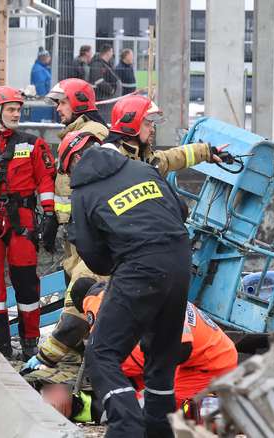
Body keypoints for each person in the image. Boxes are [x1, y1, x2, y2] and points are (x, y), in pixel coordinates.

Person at [58, 130, 192, 437]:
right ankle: (161, 430)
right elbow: (180, 211)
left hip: (139, 268)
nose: (69, 177)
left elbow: (91, 254)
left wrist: (119, 259)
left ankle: (127, 428)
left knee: (102, 354)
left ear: (75, 161)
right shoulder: (142, 169)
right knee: (160, 357)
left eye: (67, 171)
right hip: (180, 261)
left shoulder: (84, 193)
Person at [40, 279, 238, 424]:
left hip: (204, 365)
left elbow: (105, 354)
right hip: (206, 355)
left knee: (151, 413)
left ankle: (218, 411)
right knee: (131, 399)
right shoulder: (132, 292)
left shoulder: (99, 307)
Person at [22, 79, 109, 379]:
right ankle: (71, 362)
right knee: (79, 293)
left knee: (79, 296)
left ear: (79, 102)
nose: (58, 109)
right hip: (75, 235)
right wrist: (52, 221)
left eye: (62, 103)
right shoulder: (77, 135)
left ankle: (67, 364)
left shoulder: (90, 137)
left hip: (89, 236)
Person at [0, 85, 57, 359]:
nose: (17, 114)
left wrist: (49, 214)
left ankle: (30, 341)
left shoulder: (32, 144)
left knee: (27, 282)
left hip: (23, 221)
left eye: (18, 109)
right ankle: (0, 341)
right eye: (12, 109)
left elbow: (45, 180)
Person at [105, 95, 229, 176]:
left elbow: (170, 158)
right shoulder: (109, 160)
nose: (152, 130)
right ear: (130, 125)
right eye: (147, 124)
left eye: (153, 124)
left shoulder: (143, 157)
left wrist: (206, 151)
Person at [87, 44, 118, 119]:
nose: (112, 54)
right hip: (100, 97)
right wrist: (111, 90)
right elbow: (98, 81)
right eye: (111, 52)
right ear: (108, 52)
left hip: (105, 97)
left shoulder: (105, 64)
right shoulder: (97, 64)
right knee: (102, 118)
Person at [30, 47, 53, 122]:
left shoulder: (43, 68)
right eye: (48, 57)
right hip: (42, 100)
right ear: (44, 58)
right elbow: (40, 86)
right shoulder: (39, 69)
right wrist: (45, 98)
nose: (50, 58)